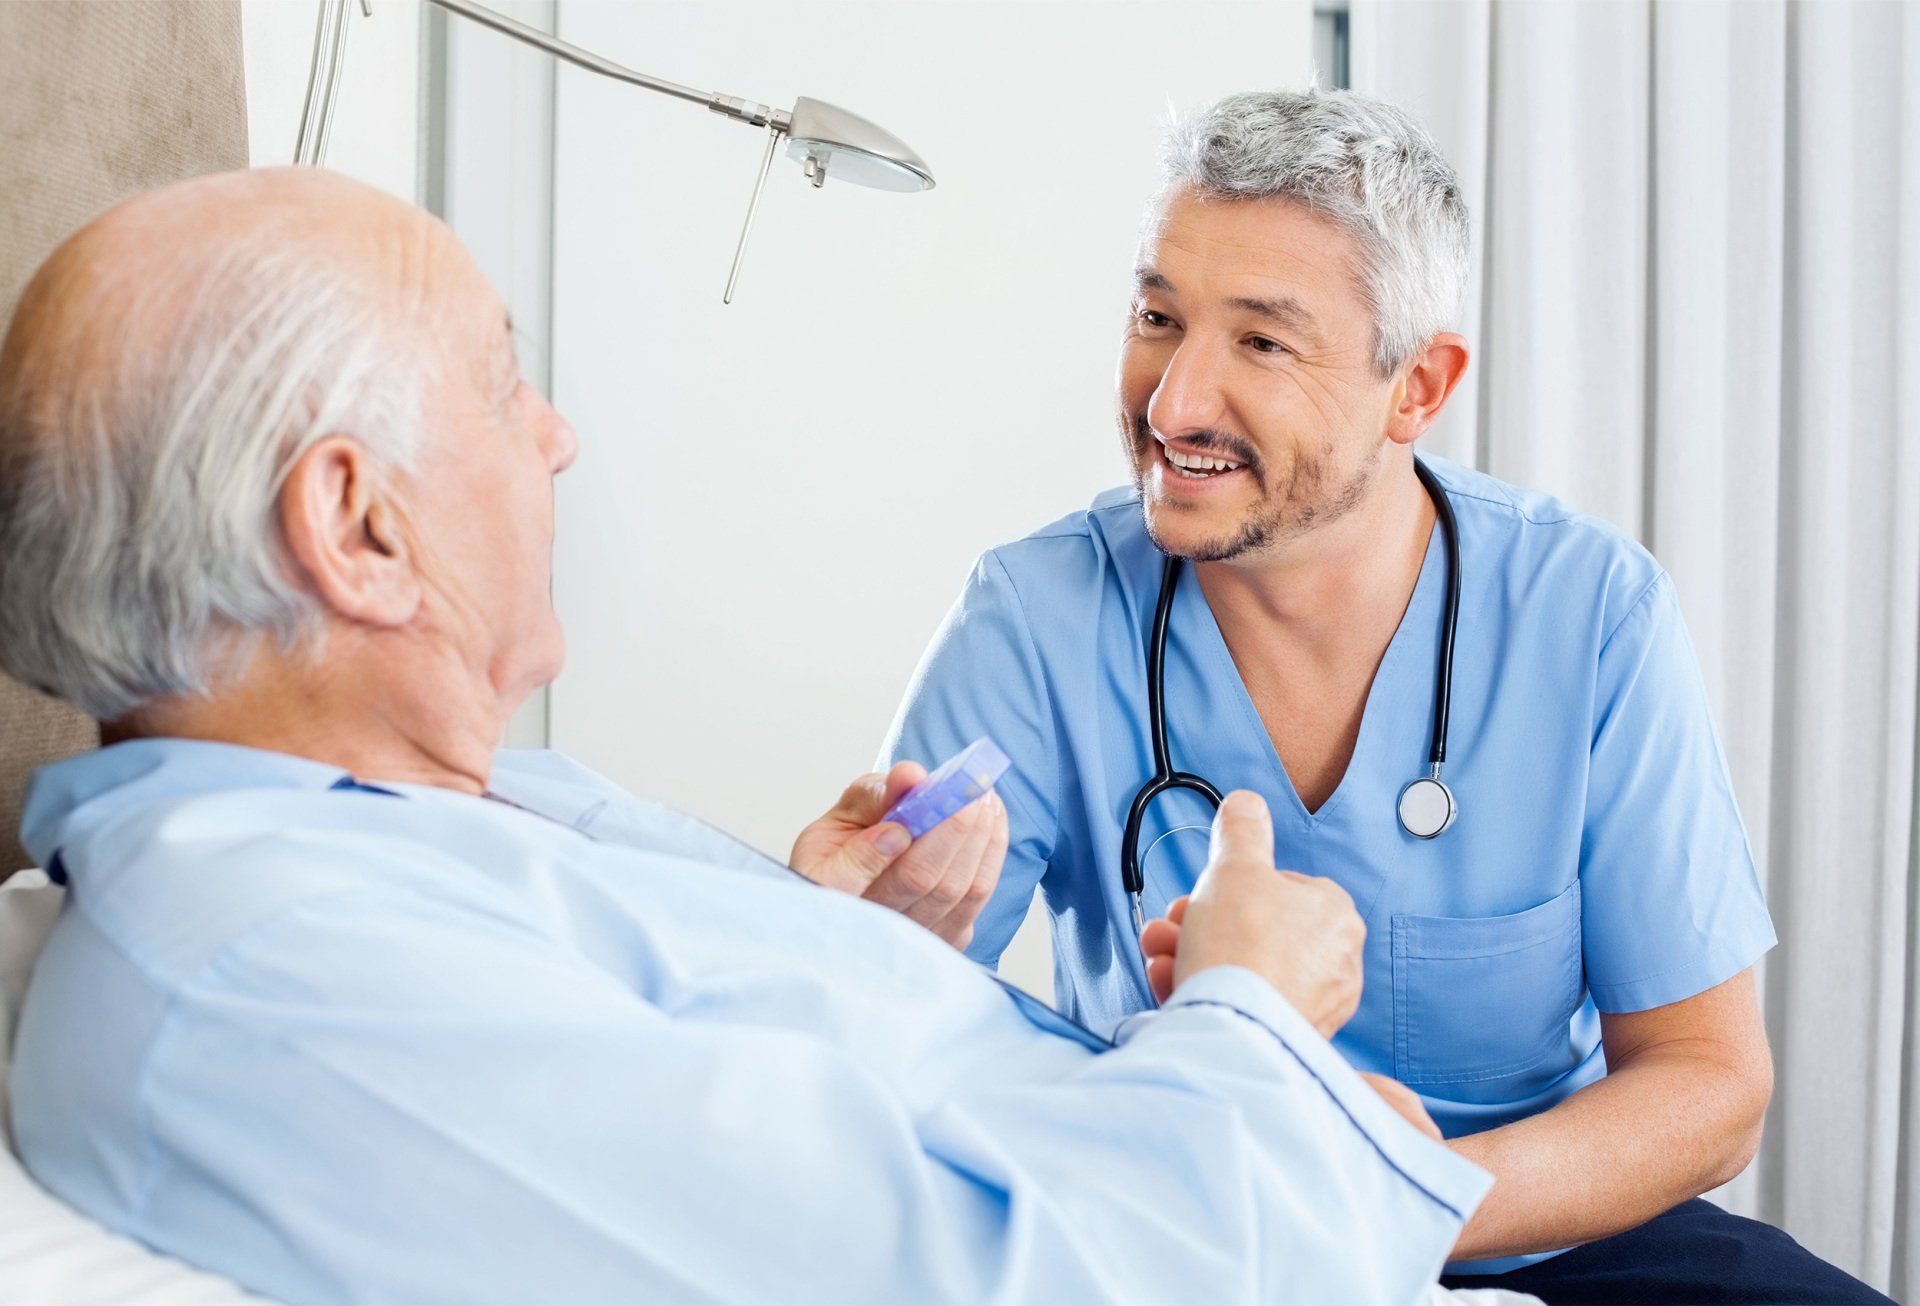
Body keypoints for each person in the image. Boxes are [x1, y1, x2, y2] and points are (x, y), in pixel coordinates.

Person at [0, 168, 1515, 1305]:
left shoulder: (429, 811)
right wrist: (1252, 1013)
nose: (557, 434)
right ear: (357, 526)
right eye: (499, 380)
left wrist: (836, 937)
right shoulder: (277, 978)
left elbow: (737, 1118)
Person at [883, 88, 1887, 1303]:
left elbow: (1711, 1084)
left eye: (1260, 341)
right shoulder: (1036, 616)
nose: (1172, 402)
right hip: (1182, 1235)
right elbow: (886, 1042)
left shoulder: (1588, 613)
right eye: (1159, 316)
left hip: (1529, 1222)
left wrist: (1406, 1195)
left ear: (1416, 387)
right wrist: (877, 932)